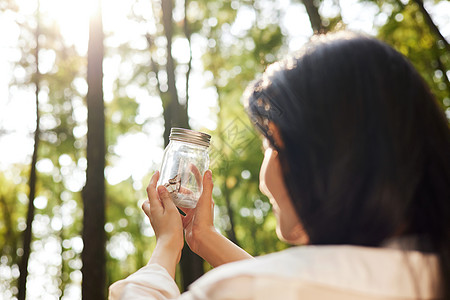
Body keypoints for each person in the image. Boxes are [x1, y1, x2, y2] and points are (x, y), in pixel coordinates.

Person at [109, 31, 450, 300]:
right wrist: (203, 237)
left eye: (270, 144)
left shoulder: (241, 290)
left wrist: (167, 245)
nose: (262, 181)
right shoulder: (428, 274)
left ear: (322, 154)